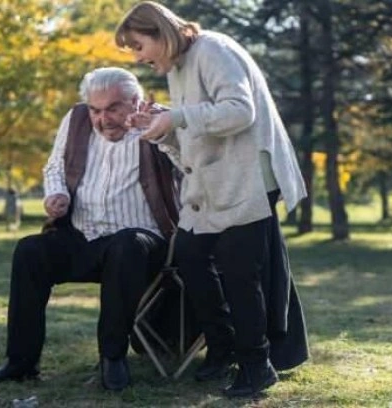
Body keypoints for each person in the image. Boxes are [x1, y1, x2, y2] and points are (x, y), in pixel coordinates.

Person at [116, 1, 309, 397]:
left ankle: (257, 366)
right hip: (210, 188)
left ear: (158, 33)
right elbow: (192, 136)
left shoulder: (213, 49)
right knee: (190, 256)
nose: (138, 58)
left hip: (248, 181)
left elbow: (240, 111)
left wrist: (178, 117)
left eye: (138, 46)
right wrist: (161, 128)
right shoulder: (179, 66)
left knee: (241, 275)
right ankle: (222, 349)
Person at [0, 67, 178, 391]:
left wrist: (158, 132)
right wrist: (56, 193)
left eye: (113, 108)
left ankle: (112, 359)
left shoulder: (160, 120)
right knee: (30, 250)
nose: (103, 119)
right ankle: (21, 363)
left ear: (135, 101)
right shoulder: (76, 119)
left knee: (127, 245)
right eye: (96, 110)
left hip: (141, 242)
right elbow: (55, 166)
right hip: (83, 235)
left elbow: (189, 165)